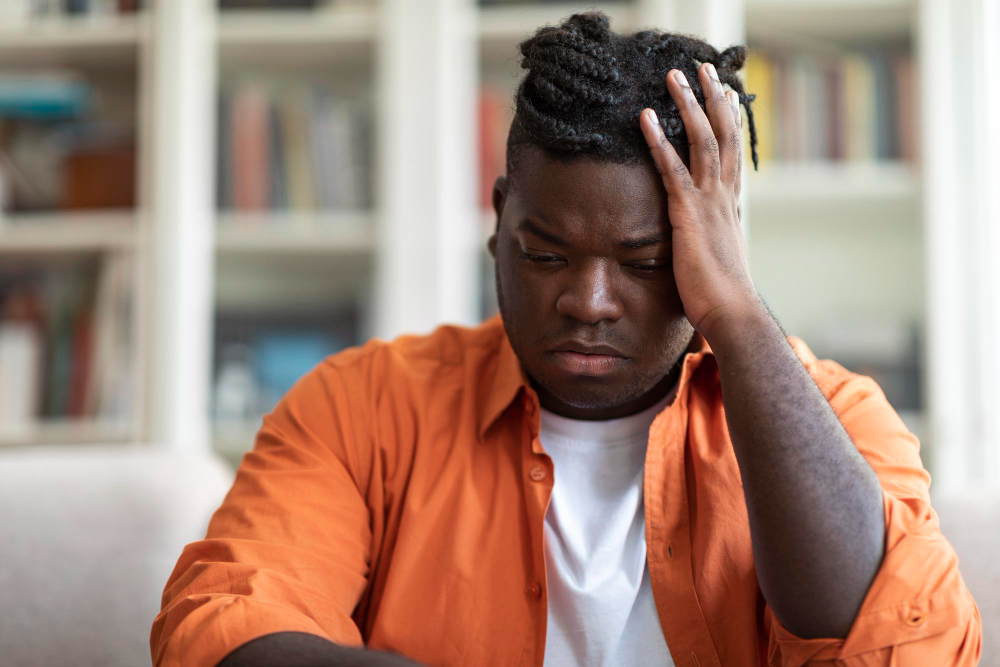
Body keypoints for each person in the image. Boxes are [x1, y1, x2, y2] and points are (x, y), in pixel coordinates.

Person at [151, 11, 981, 666]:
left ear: (713, 246)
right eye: (545, 253)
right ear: (498, 222)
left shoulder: (836, 412)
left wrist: (734, 311)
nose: (588, 301)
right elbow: (224, 622)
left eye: (647, 261)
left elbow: (909, 645)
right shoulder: (362, 406)